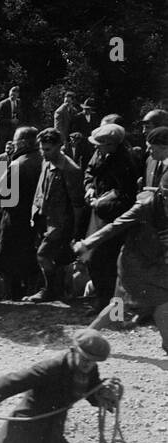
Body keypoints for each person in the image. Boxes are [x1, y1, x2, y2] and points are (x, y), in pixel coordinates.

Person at [77, 160, 168, 354]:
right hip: (134, 263)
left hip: (155, 262)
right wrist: (88, 243)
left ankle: (86, 336)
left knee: (117, 307)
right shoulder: (145, 205)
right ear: (161, 193)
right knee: (162, 300)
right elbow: (115, 226)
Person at [81, 122, 139, 315]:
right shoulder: (99, 154)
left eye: (100, 144)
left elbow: (125, 195)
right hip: (96, 214)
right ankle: (101, 300)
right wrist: (89, 187)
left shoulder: (125, 162)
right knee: (92, 258)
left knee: (109, 262)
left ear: (112, 145)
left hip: (113, 218)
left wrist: (101, 203)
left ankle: (114, 309)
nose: (96, 147)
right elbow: (90, 172)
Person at [24, 128, 86, 303]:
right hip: (43, 218)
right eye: (42, 149)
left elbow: (77, 205)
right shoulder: (46, 163)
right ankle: (58, 290)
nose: (44, 153)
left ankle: (50, 290)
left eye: (48, 149)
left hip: (60, 223)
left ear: (60, 146)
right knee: (52, 258)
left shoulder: (70, 170)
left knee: (43, 256)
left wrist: (75, 231)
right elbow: (40, 191)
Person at [0, 126, 43, 299]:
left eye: (15, 142)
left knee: (8, 261)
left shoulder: (18, 163)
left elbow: (2, 191)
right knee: (32, 262)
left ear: (22, 143)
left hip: (15, 218)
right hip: (36, 218)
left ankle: (12, 297)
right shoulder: (43, 159)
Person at [0, 86, 23, 152]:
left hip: (12, 129)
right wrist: (10, 121)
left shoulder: (18, 102)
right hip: (1, 130)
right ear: (9, 93)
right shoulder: (3, 103)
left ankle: (8, 162)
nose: (13, 94)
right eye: (12, 92)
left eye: (16, 93)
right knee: (0, 149)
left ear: (18, 95)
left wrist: (18, 121)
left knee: (11, 148)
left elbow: (20, 115)